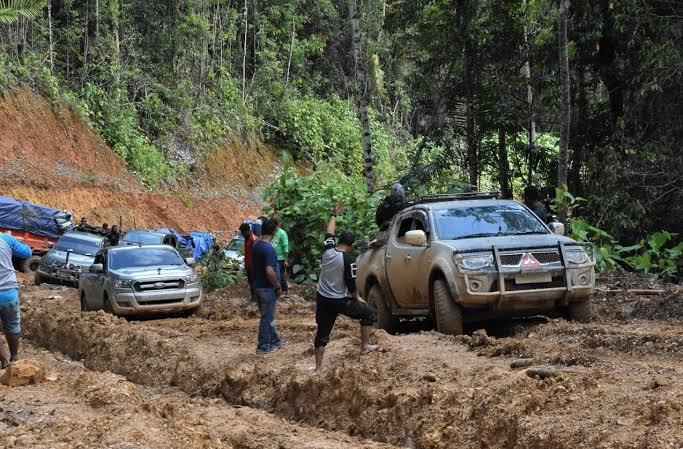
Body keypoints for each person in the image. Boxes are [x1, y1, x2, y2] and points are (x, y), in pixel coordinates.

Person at [314, 204, 378, 373]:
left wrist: (333, 214)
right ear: (351, 244)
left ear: (339, 241)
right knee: (369, 313)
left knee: (322, 332)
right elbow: (351, 285)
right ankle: (365, 346)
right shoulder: (349, 260)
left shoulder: (327, 250)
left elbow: (329, 233)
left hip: (322, 298)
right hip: (338, 300)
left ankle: (318, 367)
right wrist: (357, 298)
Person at [251, 219, 283, 353]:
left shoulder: (256, 245)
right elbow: (269, 271)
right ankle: (263, 347)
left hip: (257, 286)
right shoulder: (269, 249)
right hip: (267, 288)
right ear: (274, 231)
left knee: (267, 315)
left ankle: (276, 341)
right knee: (267, 318)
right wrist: (277, 285)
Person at [0, 232, 32, 368]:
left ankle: (4, 360)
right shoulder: (5, 238)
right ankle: (14, 358)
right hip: (8, 292)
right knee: (13, 325)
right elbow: (27, 253)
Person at [270, 219, 290, 297]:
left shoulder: (282, 233)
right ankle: (276, 290)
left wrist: (285, 260)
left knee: (280, 275)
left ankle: (286, 290)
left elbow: (286, 247)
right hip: (273, 257)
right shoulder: (273, 232)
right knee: (273, 274)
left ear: (276, 225)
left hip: (280, 258)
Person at [239, 222, 257, 306]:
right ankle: (253, 298)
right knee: (251, 282)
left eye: (242, 232)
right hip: (248, 265)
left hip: (254, 265)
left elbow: (257, 252)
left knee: (254, 282)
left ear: (247, 231)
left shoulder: (252, 239)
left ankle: (255, 299)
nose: (242, 234)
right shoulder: (247, 238)